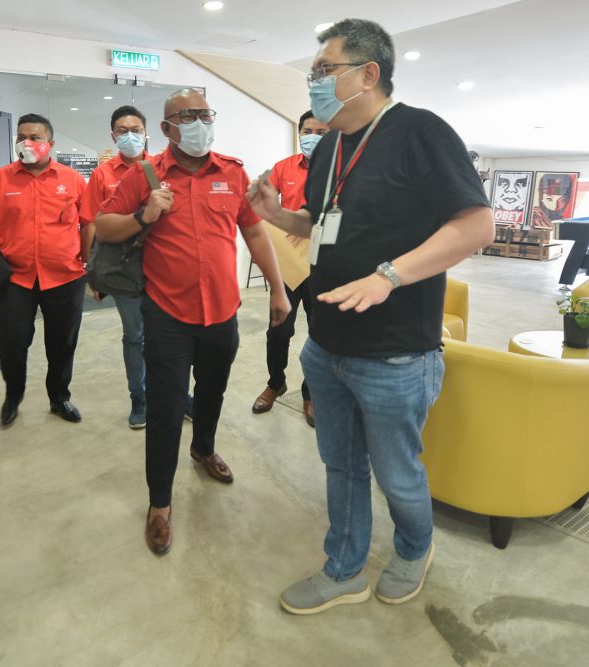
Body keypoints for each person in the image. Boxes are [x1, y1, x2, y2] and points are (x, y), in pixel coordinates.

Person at [248, 19, 493, 614]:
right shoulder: (330, 146)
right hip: (326, 347)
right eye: (313, 74)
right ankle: (345, 566)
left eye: (323, 71)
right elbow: (325, 227)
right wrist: (277, 216)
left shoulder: (420, 132)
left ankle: (414, 546)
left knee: (396, 471)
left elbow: (476, 226)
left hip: (395, 352)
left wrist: (390, 277)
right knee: (341, 466)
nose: (314, 84)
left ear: (368, 73)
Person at [97, 88, 290, 555]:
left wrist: (278, 289)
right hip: (167, 313)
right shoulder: (145, 174)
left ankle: (203, 448)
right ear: (166, 128)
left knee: (212, 391)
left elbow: (253, 230)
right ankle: (159, 501)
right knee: (165, 408)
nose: (200, 123)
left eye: (206, 114)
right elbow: (104, 225)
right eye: (188, 116)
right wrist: (145, 214)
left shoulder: (232, 171)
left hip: (222, 312)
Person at [0, 113, 88, 427]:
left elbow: (88, 224)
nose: (27, 143)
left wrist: (87, 262)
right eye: (21, 137)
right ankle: (13, 396)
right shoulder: (0, 179)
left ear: (50, 143)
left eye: (34, 137)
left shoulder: (72, 180)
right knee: (13, 342)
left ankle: (59, 397)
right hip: (17, 279)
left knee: (62, 342)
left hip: (65, 276)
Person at [79, 105, 194, 429]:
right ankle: (139, 398)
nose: (130, 136)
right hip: (124, 268)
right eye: (122, 131)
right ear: (113, 135)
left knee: (173, 337)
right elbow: (91, 224)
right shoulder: (103, 174)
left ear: (147, 132)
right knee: (135, 335)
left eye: (136, 130)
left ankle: (179, 396)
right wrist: (93, 272)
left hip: (164, 267)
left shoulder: (163, 168)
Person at [250, 110, 330, 427]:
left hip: (323, 266)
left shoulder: (341, 171)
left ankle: (311, 393)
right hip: (287, 265)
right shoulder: (285, 168)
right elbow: (265, 208)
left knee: (319, 334)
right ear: (300, 134)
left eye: (322, 132)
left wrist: (311, 230)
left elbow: (347, 217)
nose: (313, 137)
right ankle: (275, 382)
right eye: (308, 131)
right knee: (278, 329)